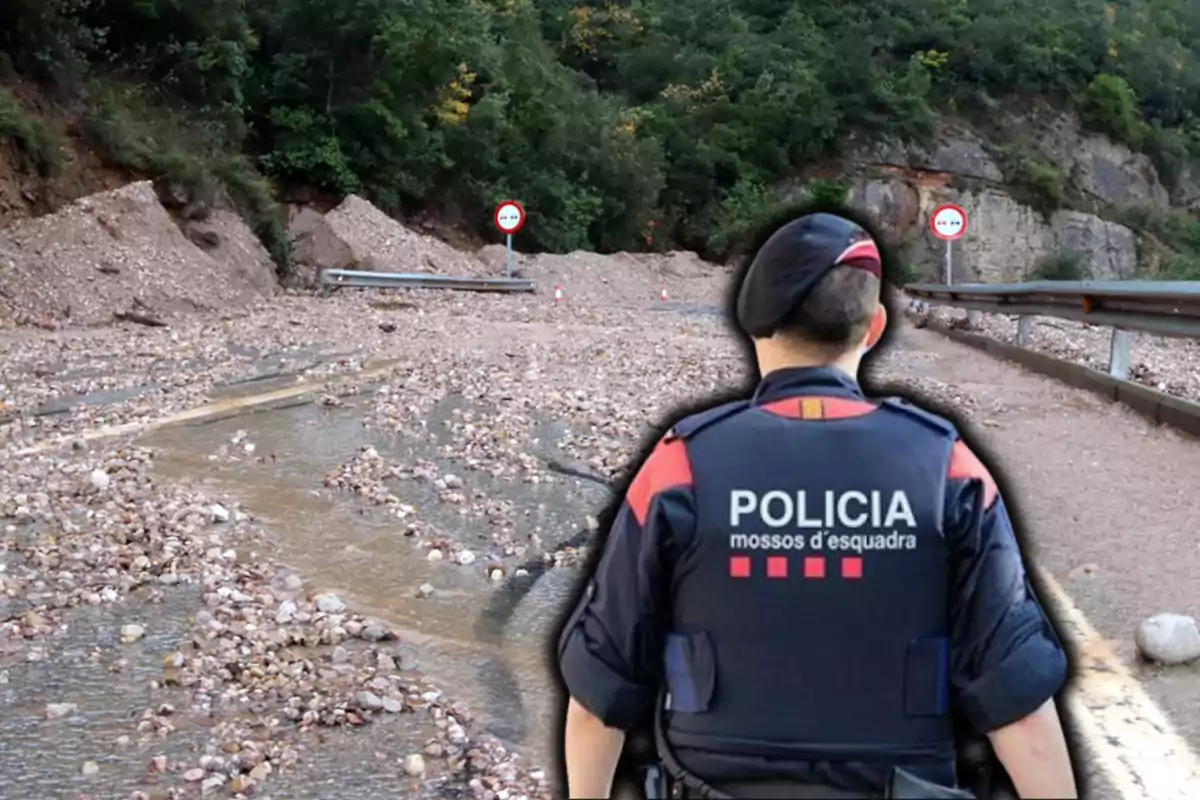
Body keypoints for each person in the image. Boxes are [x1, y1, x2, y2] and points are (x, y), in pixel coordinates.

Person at [554, 212, 1078, 799]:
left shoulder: (681, 465)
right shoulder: (948, 468)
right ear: (874, 327)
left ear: (753, 326)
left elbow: (600, 694)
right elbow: (1020, 710)